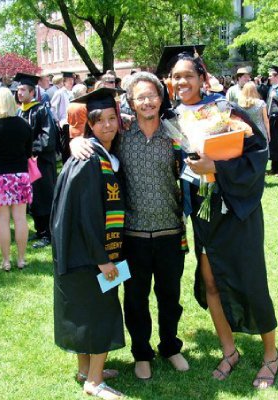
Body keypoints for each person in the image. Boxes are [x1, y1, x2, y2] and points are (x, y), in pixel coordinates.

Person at [169, 49, 278, 389]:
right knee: (210, 280)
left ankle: (270, 355)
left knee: (250, 280)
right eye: (176, 76)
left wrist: (216, 167)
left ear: (203, 77)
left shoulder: (226, 111)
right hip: (202, 211)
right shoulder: (170, 117)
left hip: (235, 209)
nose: (181, 81)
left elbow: (258, 155)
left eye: (188, 75)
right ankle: (229, 350)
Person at [70, 71, 189, 380]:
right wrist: (75, 143)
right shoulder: (122, 139)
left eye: (152, 95)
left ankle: (171, 346)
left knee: (169, 297)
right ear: (131, 102)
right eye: (140, 97)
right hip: (131, 237)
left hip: (170, 233)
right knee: (135, 299)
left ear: (161, 99)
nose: (147, 102)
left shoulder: (176, 135)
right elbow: (96, 145)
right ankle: (141, 352)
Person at [51, 88, 125, 400]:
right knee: (101, 314)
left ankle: (86, 369)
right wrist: (103, 259)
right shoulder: (88, 160)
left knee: (84, 313)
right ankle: (94, 382)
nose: (108, 125)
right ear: (90, 125)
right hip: (92, 255)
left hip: (84, 253)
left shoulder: (100, 154)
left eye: (112, 118)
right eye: (100, 120)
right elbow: (84, 216)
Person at [0, 87, 33, 271]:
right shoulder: (23, 124)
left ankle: (6, 261)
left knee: (2, 219)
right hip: (20, 175)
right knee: (20, 218)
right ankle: (21, 259)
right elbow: (28, 152)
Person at [16, 72, 57, 247]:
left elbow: (48, 137)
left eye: (23, 90)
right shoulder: (20, 111)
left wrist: (32, 149)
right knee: (32, 198)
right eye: (18, 90)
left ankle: (49, 233)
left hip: (41, 163)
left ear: (32, 93)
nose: (19, 93)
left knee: (44, 197)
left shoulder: (41, 110)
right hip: (26, 162)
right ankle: (39, 230)